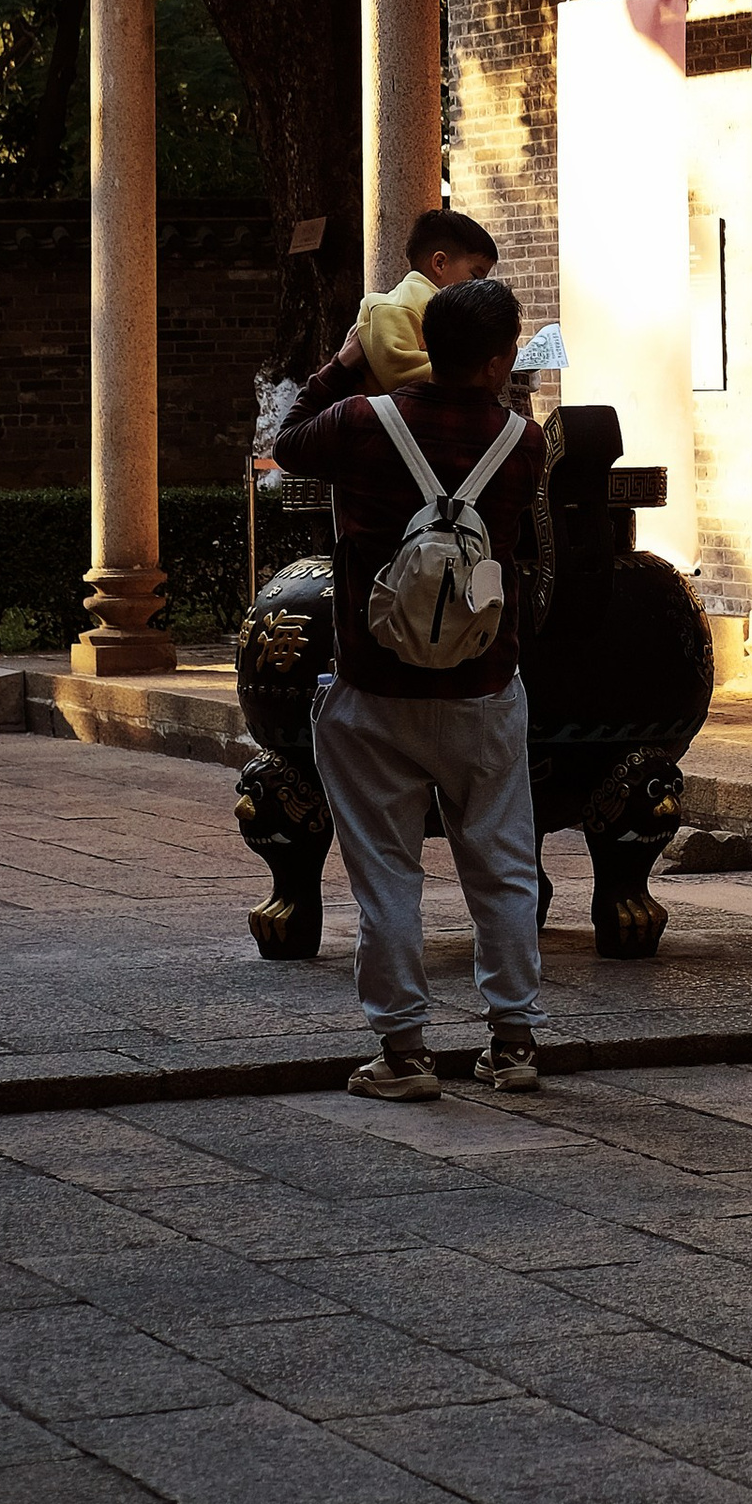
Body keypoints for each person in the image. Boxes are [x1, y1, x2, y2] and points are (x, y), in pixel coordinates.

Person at [273, 271, 547, 1100]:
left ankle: (404, 1055)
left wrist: (347, 362)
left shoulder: (360, 422)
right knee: (502, 867)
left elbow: (284, 442)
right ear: (500, 359)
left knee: (386, 873)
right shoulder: (521, 440)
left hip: (372, 691)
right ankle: (514, 1043)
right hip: (484, 690)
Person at [351, 205, 498, 391]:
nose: (477, 287)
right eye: (475, 277)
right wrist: (474, 371)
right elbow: (399, 372)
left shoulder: (450, 309)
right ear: (440, 264)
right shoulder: (391, 306)